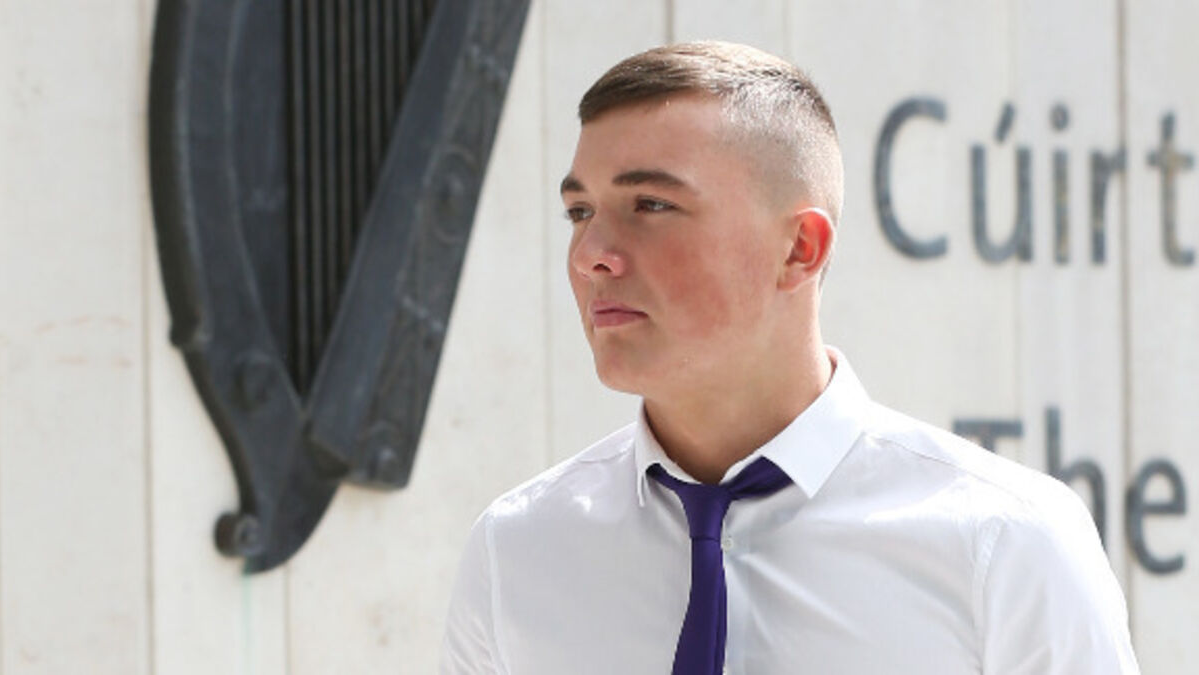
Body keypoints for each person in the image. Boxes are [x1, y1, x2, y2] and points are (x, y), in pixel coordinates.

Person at [441, 41, 1140, 674]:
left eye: (650, 204)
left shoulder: (1006, 545)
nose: (591, 255)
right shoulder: (517, 552)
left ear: (800, 248)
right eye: (580, 211)